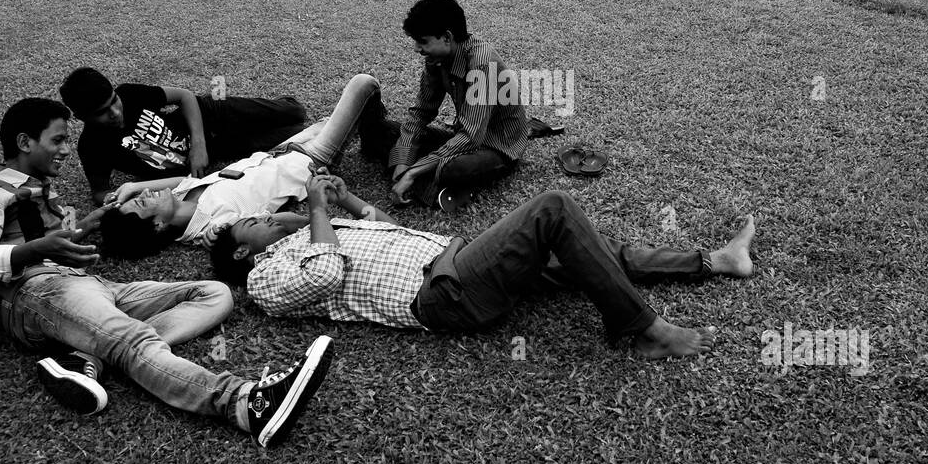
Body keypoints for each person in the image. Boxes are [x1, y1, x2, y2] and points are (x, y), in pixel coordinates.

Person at [0, 97, 332, 447]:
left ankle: (91, 356)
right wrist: (35, 250)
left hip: (86, 286)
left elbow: (44, 238)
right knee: (131, 341)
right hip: (36, 293)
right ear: (24, 141)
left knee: (215, 294)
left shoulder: (39, 188)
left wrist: (85, 226)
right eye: (58, 140)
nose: (66, 150)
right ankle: (246, 404)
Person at [212, 172, 757, 361]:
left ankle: (714, 261)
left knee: (582, 249)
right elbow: (327, 274)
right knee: (553, 209)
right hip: (444, 294)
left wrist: (348, 201)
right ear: (244, 250)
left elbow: (383, 226)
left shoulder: (317, 229)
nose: (270, 218)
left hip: (455, 260)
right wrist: (312, 210)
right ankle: (647, 331)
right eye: (256, 223)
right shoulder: (263, 280)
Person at [97, 74, 394, 257]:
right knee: (363, 85)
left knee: (339, 119)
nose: (144, 197)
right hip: (309, 162)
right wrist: (218, 239)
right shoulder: (213, 227)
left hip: (278, 152)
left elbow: (176, 182)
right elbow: (240, 235)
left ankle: (375, 138)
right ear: (158, 226)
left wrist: (134, 186)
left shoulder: (182, 196)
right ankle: (379, 139)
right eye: (141, 205)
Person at [59, 66, 325, 206]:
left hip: (212, 114)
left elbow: (184, 96)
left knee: (295, 111)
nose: (116, 112)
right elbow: (100, 192)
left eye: (114, 101)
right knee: (299, 135)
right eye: (103, 113)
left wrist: (198, 146)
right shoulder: (92, 146)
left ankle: (266, 108)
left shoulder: (130, 94)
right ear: (81, 117)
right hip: (223, 147)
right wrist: (113, 197)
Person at [388, 0, 527, 211]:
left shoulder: (482, 63)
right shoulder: (436, 59)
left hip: (497, 146)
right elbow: (421, 112)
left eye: (423, 41)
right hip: (462, 137)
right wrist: (403, 160)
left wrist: (414, 170)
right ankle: (427, 181)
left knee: (452, 168)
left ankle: (430, 182)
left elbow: (472, 136)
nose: (417, 48)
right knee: (386, 132)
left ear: (447, 37)